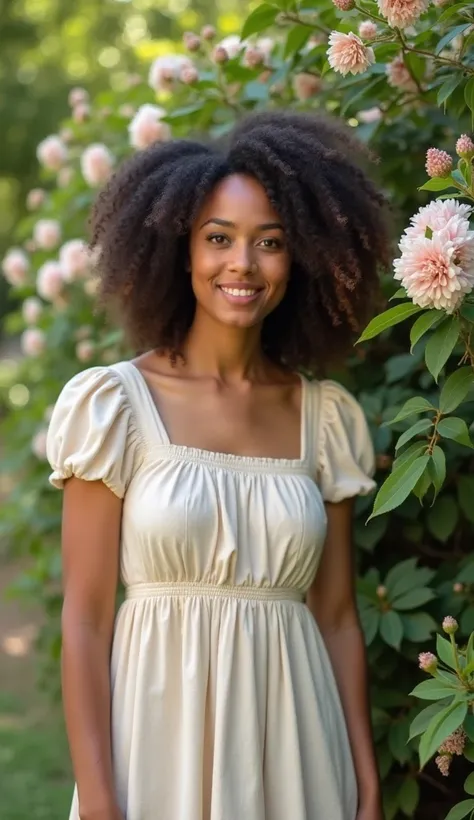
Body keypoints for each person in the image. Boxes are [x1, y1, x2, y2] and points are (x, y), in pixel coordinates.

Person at [46, 110, 391, 820]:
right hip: (154, 753)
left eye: (271, 242)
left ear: (300, 259)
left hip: (298, 752)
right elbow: (84, 622)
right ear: (181, 251)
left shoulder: (324, 420)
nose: (243, 264)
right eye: (218, 239)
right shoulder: (114, 405)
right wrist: (103, 804)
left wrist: (365, 784)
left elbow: (336, 618)